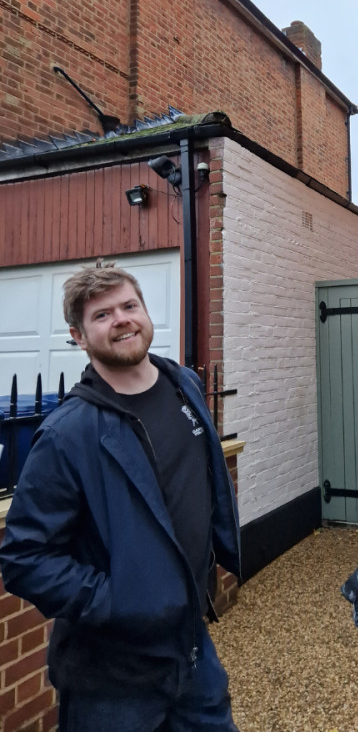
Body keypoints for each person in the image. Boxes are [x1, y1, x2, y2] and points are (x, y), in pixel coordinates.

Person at [0, 261, 241, 731]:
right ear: (78, 336)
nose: (122, 319)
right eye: (102, 315)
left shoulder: (184, 387)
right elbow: (25, 558)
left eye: (129, 306)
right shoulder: (67, 435)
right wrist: (123, 602)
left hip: (192, 653)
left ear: (147, 313)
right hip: (110, 678)